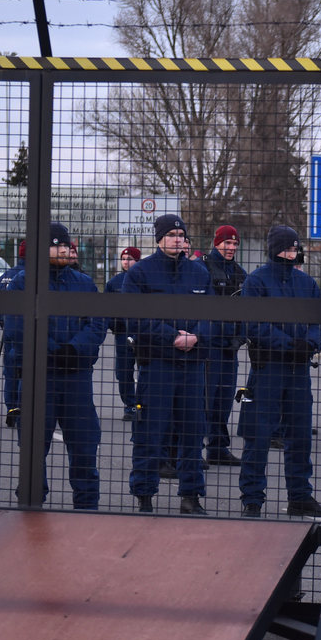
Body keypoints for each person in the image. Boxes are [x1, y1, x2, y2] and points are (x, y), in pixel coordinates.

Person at [2, 223, 106, 509]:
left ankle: (87, 506)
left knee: (84, 446)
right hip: (38, 378)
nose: (63, 249)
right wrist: (52, 351)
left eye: (65, 245)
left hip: (77, 379)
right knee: (34, 448)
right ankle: (32, 503)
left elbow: (97, 323)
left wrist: (73, 349)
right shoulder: (23, 282)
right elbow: (17, 327)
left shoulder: (84, 283)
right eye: (55, 244)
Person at [238, 225, 321, 519]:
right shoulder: (257, 281)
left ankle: (299, 497)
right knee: (258, 436)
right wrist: (289, 345)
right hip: (268, 368)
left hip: (298, 369)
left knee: (300, 436)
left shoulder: (306, 283)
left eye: (294, 248)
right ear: (275, 249)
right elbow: (253, 324)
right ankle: (252, 499)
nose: (291, 253)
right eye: (286, 248)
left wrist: (310, 344)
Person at [122, 214, 211, 515]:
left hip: (192, 364)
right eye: (171, 235)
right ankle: (144, 495)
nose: (177, 239)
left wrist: (197, 336)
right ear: (159, 238)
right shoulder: (141, 273)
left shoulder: (199, 273)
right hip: (157, 364)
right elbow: (134, 318)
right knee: (150, 432)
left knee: (192, 433)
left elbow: (214, 313)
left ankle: (191, 496)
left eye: (181, 235)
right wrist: (172, 337)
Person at [197, 225, 247, 467]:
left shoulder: (239, 273)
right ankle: (194, 449)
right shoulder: (203, 268)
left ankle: (217, 448)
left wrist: (240, 337)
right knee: (204, 400)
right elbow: (202, 309)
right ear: (216, 243)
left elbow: (248, 310)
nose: (231, 248)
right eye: (227, 243)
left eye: (235, 244)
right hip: (209, 347)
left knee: (224, 400)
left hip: (230, 348)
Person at [105, 246, 142, 421]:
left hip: (142, 333)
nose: (126, 262)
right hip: (122, 333)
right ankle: (130, 405)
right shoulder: (114, 283)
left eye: (130, 259)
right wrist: (115, 325)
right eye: (124, 259)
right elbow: (107, 308)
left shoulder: (144, 280)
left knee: (144, 370)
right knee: (124, 371)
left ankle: (143, 404)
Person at [0, 240, 25, 429]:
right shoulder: (36, 275)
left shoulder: (5, 276)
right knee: (26, 371)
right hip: (28, 332)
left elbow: (0, 307)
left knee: (11, 373)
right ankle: (23, 407)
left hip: (9, 332)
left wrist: (6, 326)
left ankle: (11, 408)